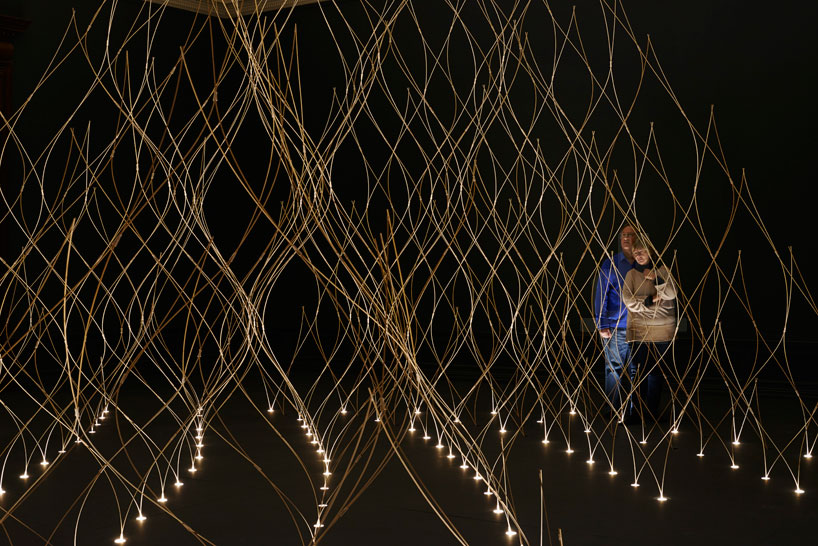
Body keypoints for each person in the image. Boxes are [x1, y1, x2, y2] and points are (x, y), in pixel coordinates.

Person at [622, 237, 677, 424]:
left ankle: (652, 412)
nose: (638, 255)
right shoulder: (631, 275)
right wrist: (650, 301)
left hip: (662, 332)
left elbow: (671, 295)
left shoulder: (663, 271)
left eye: (642, 251)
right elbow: (628, 301)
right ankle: (636, 412)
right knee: (639, 373)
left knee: (656, 372)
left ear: (650, 252)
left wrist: (656, 278)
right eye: (635, 252)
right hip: (639, 331)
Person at [593, 225, 636, 419]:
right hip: (616, 327)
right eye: (624, 235)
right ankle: (613, 410)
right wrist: (602, 324)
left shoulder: (645, 263)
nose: (626, 238)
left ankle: (634, 411)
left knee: (637, 371)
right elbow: (601, 294)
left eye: (630, 235)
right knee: (614, 370)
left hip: (640, 328)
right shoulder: (610, 264)